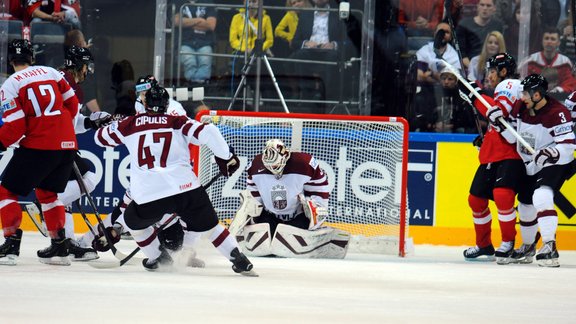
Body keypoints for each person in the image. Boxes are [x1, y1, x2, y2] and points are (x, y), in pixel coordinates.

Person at [93, 85, 256, 275]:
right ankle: (240, 259)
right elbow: (210, 132)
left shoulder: (129, 124)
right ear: (166, 104)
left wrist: (110, 123)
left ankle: (159, 258)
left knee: (133, 223)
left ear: (144, 104)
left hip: (150, 194)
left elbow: (99, 139)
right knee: (211, 227)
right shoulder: (177, 121)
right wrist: (226, 156)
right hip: (186, 188)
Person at [0, 39, 79, 266]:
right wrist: (61, 131)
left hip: (39, 146)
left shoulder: (10, 85)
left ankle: (11, 245)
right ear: (32, 58)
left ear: (10, 61)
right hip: (67, 145)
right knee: (47, 194)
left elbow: (15, 127)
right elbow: (73, 106)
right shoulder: (52, 72)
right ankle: (59, 246)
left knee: (6, 192)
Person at [487, 74, 576, 267]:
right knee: (526, 204)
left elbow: (568, 147)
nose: (522, 96)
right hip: (531, 162)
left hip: (556, 161)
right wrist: (498, 123)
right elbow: (513, 138)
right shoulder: (521, 108)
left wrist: (550, 152)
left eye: (526, 93)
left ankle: (549, 247)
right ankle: (528, 247)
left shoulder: (557, 112)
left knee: (541, 196)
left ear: (537, 95)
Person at [229, 139, 350, 259]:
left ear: (285, 156)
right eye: (270, 165)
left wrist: (317, 207)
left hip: (298, 217)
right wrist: (251, 213)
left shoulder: (305, 164)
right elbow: (253, 194)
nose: (273, 168)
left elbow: (319, 187)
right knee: (265, 239)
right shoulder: (255, 166)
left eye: (276, 164)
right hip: (269, 216)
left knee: (289, 234)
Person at [457, 53, 525, 264]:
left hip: (511, 153)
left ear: (503, 72)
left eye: (493, 71)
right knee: (475, 199)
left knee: (503, 196)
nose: (489, 76)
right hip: (494, 151)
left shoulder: (510, 84)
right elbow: (497, 117)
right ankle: (484, 244)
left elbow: (497, 112)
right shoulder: (503, 89)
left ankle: (508, 242)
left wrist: (474, 93)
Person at [289, 0, 344, 102]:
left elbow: (347, 42)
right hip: (310, 50)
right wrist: (306, 43)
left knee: (333, 56)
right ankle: (306, 95)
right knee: (300, 55)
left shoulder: (338, 14)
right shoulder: (305, 15)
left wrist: (334, 44)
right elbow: (294, 42)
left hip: (328, 51)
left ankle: (326, 96)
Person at [518, 26, 576, 100]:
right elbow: (521, 81)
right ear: (542, 41)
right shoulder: (530, 61)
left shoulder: (565, 63)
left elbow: (570, 83)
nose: (549, 41)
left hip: (560, 100)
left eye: (553, 39)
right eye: (546, 38)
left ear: (558, 43)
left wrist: (558, 90)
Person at [172, 0, 217, 85]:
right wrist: (199, 20)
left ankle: (195, 85)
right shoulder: (180, 2)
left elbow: (211, 25)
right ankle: (196, 86)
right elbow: (177, 21)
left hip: (205, 42)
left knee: (205, 61)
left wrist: (188, 23)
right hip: (184, 42)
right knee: (190, 61)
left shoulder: (208, 3)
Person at [455, 0, 503, 68]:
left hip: (492, 67)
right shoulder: (464, 25)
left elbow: (500, 49)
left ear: (494, 8)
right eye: (482, 5)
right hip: (468, 66)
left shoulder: (498, 26)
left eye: (488, 6)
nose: (485, 8)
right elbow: (461, 52)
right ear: (477, 6)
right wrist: (473, 68)